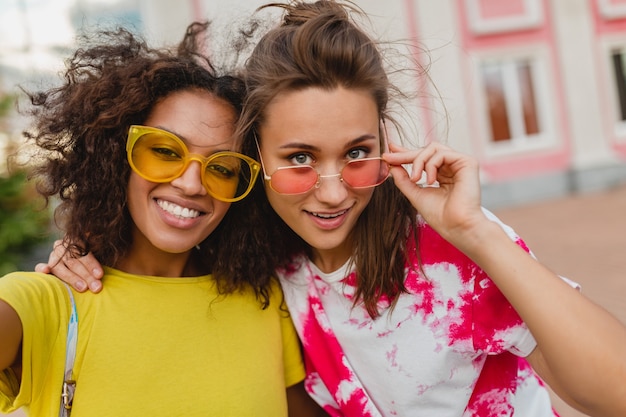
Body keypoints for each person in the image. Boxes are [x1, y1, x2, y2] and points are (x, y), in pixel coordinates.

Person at [40, 1, 626, 416]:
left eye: (357, 153)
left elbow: (615, 393)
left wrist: (478, 233)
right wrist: (87, 245)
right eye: (299, 158)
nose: (333, 191)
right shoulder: (258, 256)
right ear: (256, 158)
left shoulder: (442, 248)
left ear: (382, 139)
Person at [0, 21, 325, 416]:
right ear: (116, 156)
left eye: (222, 169)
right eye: (166, 152)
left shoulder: (261, 298)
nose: (191, 185)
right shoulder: (47, 302)